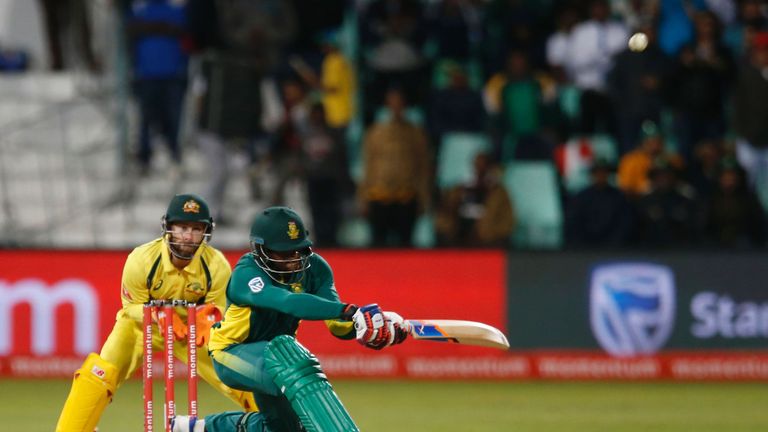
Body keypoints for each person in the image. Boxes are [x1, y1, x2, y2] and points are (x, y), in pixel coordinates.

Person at [172, 206, 409, 432]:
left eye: (298, 250)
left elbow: (338, 325)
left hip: (279, 357)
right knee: (296, 361)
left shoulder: (316, 269)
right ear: (260, 249)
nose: (293, 259)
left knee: (282, 428)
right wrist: (350, 311)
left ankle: (198, 428)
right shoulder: (247, 273)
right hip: (231, 353)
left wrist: (367, 327)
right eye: (283, 252)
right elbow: (287, 301)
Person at [55, 193, 256, 432]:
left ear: (206, 232)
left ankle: (271, 424)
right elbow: (130, 308)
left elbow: (219, 308)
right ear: (168, 227)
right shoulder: (142, 260)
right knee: (99, 372)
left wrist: (208, 317)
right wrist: (158, 315)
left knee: (241, 373)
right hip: (143, 328)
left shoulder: (215, 265)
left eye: (196, 228)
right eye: (182, 227)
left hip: (190, 330)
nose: (188, 236)